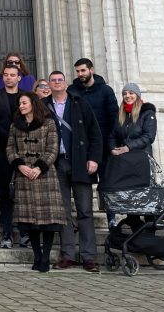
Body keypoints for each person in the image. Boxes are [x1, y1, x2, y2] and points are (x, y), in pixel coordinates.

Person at [43, 71, 102, 273]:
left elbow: (95, 132)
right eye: (53, 80)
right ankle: (67, 255)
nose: (57, 83)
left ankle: (89, 257)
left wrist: (93, 158)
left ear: (66, 83)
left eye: (60, 80)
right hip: (56, 164)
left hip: (80, 163)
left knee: (85, 210)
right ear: (48, 84)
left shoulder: (80, 103)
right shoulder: (43, 106)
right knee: (63, 213)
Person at [6, 92, 65, 272]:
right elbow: (10, 148)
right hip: (24, 176)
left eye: (24, 103)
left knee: (48, 222)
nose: (21, 106)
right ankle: (37, 256)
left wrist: (39, 167)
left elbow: (53, 147)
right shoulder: (15, 126)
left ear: (33, 103)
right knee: (30, 221)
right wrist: (19, 165)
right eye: (19, 104)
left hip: (45, 176)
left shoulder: (48, 123)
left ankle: (45, 258)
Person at [69, 57, 119, 226]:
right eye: (77, 71)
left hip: (103, 144)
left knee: (106, 182)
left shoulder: (106, 90)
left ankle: (111, 217)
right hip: (80, 147)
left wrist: (112, 143)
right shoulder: (72, 90)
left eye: (83, 70)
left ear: (91, 70)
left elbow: (114, 118)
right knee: (81, 183)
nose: (80, 74)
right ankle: (82, 217)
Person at [103, 83, 157, 228]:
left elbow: (149, 136)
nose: (127, 96)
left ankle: (148, 238)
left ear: (137, 95)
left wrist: (128, 147)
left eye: (131, 93)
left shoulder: (147, 113)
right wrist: (113, 148)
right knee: (130, 204)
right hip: (126, 164)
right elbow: (113, 135)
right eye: (125, 93)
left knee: (145, 202)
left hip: (142, 164)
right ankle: (135, 239)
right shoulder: (121, 114)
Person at [0, 64, 21, 248]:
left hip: (24, 151)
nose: (9, 78)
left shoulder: (26, 96)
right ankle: (7, 233)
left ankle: (24, 233)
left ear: (19, 77)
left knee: (23, 194)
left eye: (12, 75)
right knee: (6, 195)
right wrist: (9, 136)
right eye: (6, 75)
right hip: (1, 150)